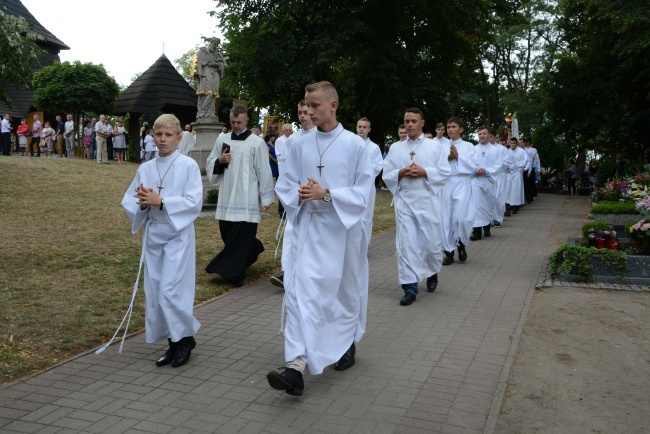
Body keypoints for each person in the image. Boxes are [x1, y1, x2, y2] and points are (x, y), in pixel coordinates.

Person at [267, 80, 373, 396]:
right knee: (300, 292)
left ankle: (345, 343)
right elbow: (285, 184)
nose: (308, 111)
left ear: (333, 105)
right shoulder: (299, 144)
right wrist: (299, 196)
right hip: (305, 228)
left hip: (340, 232)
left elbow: (363, 193)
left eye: (314, 105)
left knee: (339, 295)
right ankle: (296, 367)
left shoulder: (355, 146)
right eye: (306, 105)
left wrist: (327, 195)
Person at [121, 113, 202, 368]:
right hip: (154, 234)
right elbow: (131, 200)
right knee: (156, 291)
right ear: (152, 136)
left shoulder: (188, 166)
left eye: (168, 135)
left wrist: (162, 201)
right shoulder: (145, 167)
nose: (163, 139)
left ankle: (185, 339)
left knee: (171, 288)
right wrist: (143, 204)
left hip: (178, 234)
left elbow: (193, 202)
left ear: (179, 138)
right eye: (159, 134)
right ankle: (172, 341)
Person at [383, 108, 450, 305]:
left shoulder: (434, 147)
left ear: (422, 123)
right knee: (406, 245)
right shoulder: (396, 148)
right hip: (405, 200)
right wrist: (401, 172)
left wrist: (424, 172)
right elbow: (386, 174)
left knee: (431, 244)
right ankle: (410, 287)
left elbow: (444, 172)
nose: (409, 124)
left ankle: (432, 272)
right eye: (407, 121)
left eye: (414, 121)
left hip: (427, 198)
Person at [205, 106, 275, 285]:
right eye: (233, 122)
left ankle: (235, 274)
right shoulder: (223, 139)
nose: (235, 126)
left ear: (246, 121)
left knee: (241, 235)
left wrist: (266, 197)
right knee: (228, 235)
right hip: (227, 195)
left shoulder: (256, 143)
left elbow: (264, 171)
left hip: (247, 196)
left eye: (239, 122)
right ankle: (253, 247)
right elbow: (210, 161)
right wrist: (219, 161)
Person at [269, 100, 317, 289]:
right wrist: (291, 192)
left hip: (316, 196)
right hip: (296, 197)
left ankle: (303, 275)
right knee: (291, 234)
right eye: (300, 112)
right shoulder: (292, 141)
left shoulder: (320, 138)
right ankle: (286, 273)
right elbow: (286, 171)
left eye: (305, 112)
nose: (303, 116)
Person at [441, 117, 479, 265]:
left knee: (462, 218)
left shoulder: (469, 146)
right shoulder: (442, 145)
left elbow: (474, 165)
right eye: (448, 127)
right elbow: (437, 164)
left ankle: (461, 243)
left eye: (453, 126)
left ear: (461, 129)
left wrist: (459, 157)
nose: (450, 129)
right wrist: (448, 158)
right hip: (447, 183)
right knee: (447, 218)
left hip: (462, 183)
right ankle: (448, 252)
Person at [470, 126, 503, 240]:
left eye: (484, 133)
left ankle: (487, 226)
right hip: (477, 180)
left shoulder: (496, 150)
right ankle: (477, 231)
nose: (482, 136)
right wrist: (474, 171)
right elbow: (469, 164)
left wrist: (487, 171)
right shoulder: (473, 149)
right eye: (480, 134)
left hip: (489, 180)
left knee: (488, 204)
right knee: (477, 205)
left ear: (489, 135)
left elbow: (499, 165)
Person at [356, 117, 383, 242]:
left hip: (367, 186)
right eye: (359, 126)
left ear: (369, 129)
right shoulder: (350, 143)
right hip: (352, 185)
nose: (361, 129)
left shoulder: (374, 148)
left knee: (366, 217)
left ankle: (364, 245)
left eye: (364, 127)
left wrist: (363, 167)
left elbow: (377, 167)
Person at [490, 128, 511, 226]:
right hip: (487, 177)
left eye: (490, 136)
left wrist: (496, 166)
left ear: (495, 137)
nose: (488, 138)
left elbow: (506, 162)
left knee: (499, 198)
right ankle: (488, 219)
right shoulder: (481, 149)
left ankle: (497, 218)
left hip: (499, 176)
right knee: (488, 198)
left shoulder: (502, 149)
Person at [505, 137, 527, 214]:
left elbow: (524, 161)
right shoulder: (507, 152)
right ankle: (508, 204)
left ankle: (515, 206)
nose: (512, 145)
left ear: (517, 144)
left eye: (514, 143)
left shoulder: (521, 152)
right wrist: (509, 166)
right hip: (509, 172)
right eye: (511, 143)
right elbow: (505, 161)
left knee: (516, 189)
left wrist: (516, 165)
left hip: (517, 172)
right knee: (508, 189)